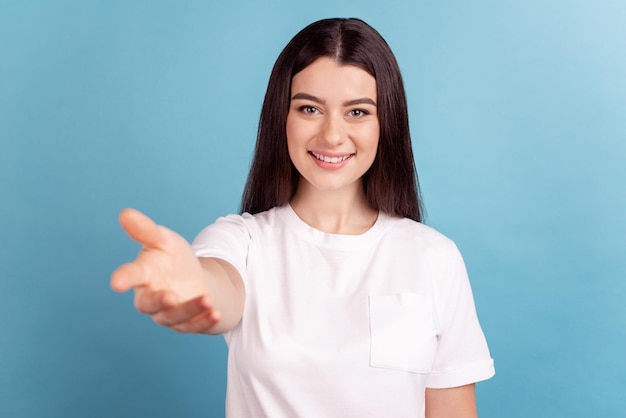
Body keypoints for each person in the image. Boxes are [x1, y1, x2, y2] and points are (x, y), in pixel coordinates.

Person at [111, 17, 495, 418]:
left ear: (387, 123)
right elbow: (218, 286)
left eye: (358, 112)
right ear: (282, 118)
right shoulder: (242, 242)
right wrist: (192, 283)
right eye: (309, 108)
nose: (331, 135)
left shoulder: (434, 257)